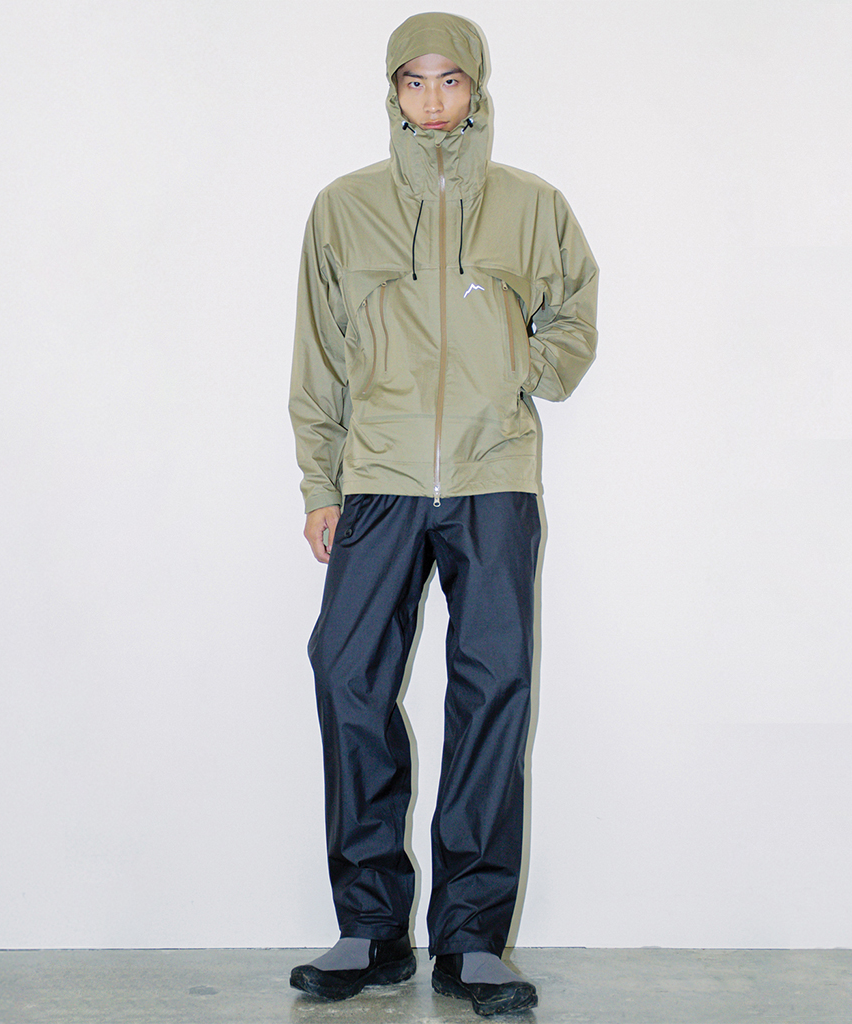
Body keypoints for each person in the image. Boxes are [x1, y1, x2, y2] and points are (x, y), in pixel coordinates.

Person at [287, 11, 597, 1017]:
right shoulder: (344, 209)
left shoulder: (531, 205)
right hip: (379, 479)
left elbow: (573, 321)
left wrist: (519, 363)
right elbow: (318, 356)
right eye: (414, 82)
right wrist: (321, 484)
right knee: (347, 675)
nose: (432, 100)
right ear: (392, 92)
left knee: (493, 689)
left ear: (475, 89)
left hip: (492, 477)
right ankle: (371, 925)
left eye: (449, 80)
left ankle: (471, 939)